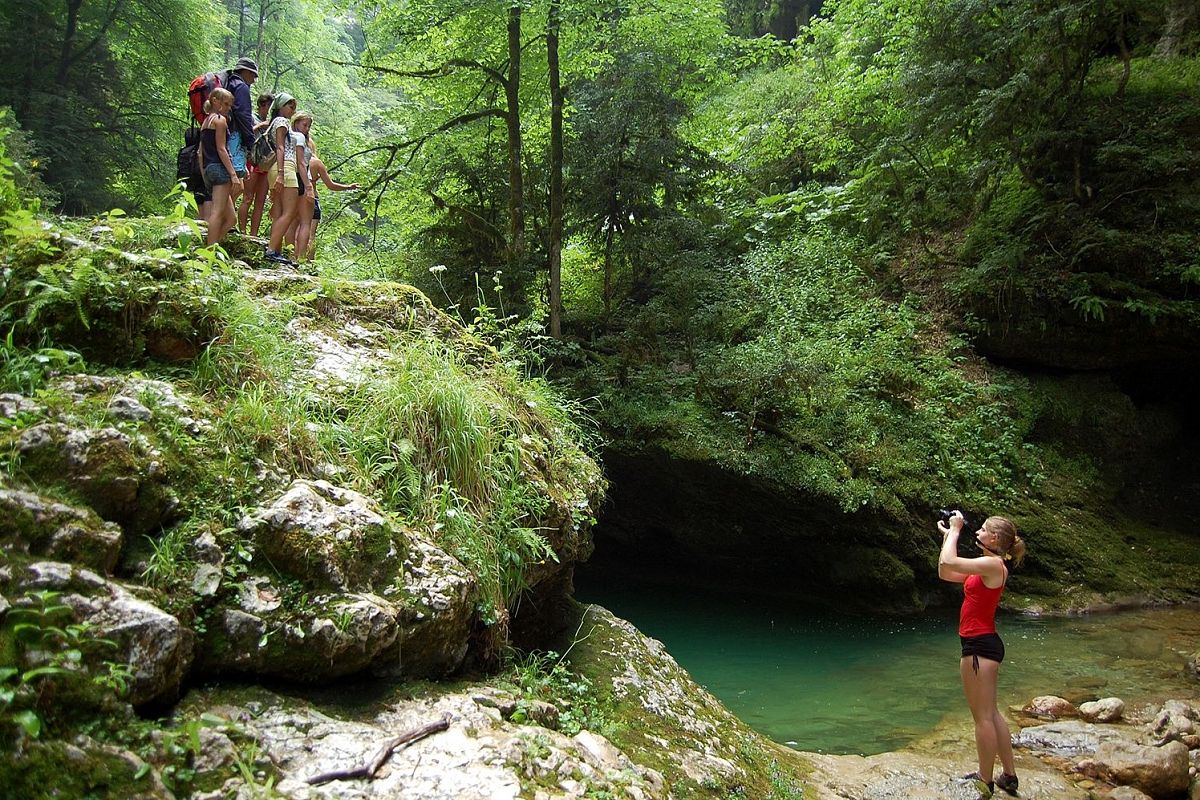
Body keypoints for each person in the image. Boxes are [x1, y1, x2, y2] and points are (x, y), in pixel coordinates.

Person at [937, 512, 1026, 798]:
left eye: (985, 530)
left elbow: (950, 561)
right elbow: (945, 570)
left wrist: (955, 530)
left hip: (978, 647)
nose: (980, 532)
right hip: (983, 644)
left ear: (995, 539)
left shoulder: (991, 564)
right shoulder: (989, 565)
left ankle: (984, 780)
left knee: (982, 719)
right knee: (991, 713)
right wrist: (948, 537)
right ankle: (1008, 776)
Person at [264, 94, 305, 264]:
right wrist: (281, 173)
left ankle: (275, 250)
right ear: (280, 106)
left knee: (279, 212)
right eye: (290, 106)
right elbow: (280, 148)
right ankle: (272, 250)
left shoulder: (274, 122)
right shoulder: (281, 122)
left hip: (275, 169)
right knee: (289, 213)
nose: (293, 111)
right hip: (285, 168)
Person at [197, 88, 242, 245]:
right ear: (215, 101)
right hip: (220, 169)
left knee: (231, 219)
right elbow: (221, 149)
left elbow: (200, 153)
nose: (228, 108)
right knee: (217, 213)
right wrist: (233, 175)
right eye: (226, 104)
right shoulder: (219, 120)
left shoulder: (205, 122)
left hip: (209, 169)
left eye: (230, 105)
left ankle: (211, 245)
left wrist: (204, 174)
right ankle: (208, 251)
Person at [223, 57, 259, 206]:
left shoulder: (229, 84)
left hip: (225, 135)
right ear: (245, 71)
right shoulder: (241, 87)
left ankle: (223, 220)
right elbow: (243, 116)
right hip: (235, 137)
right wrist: (250, 142)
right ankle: (221, 219)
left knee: (236, 185)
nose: (253, 80)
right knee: (234, 184)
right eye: (252, 75)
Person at [238, 92, 274, 236]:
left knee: (260, 200)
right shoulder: (252, 117)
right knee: (247, 197)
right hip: (252, 159)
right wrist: (260, 125)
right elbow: (245, 134)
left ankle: (253, 234)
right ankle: (242, 231)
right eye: (268, 107)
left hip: (267, 162)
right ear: (261, 105)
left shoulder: (275, 122)